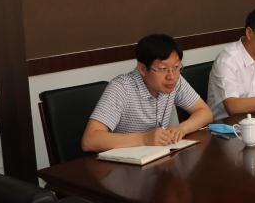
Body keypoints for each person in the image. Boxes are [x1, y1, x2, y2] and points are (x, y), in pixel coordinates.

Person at [82, 34, 213, 152]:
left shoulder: (174, 81)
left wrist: (182, 129)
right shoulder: (122, 88)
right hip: (125, 164)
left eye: (176, 67)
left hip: (156, 159)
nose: (171, 76)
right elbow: (89, 140)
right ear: (143, 69)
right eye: (163, 69)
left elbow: (205, 112)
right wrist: (144, 139)